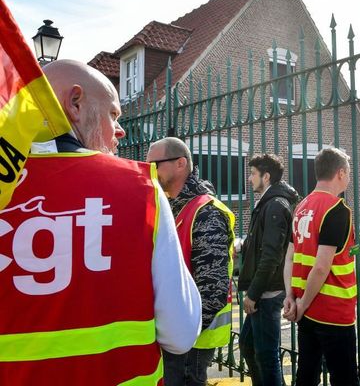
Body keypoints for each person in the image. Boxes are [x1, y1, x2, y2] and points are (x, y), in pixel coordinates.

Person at [0, 60, 202, 385]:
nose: (120, 130)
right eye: (113, 114)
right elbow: (180, 334)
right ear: (75, 103)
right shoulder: (140, 190)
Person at [146, 137, 235, 386]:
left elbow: (212, 288)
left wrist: (181, 334)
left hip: (190, 342)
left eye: (154, 164)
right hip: (173, 335)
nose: (148, 171)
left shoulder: (207, 212)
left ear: (180, 164)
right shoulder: (171, 205)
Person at [283, 147, 359, 386]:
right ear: (340, 173)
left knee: (306, 375)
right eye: (348, 173)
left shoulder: (301, 207)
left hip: (305, 310)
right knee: (344, 378)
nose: (348, 178)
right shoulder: (337, 209)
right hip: (334, 312)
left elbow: (289, 258)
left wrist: (291, 299)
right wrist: (302, 304)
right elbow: (321, 267)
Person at [238, 153, 298, 386]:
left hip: (267, 293)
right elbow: (264, 244)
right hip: (262, 289)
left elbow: (272, 255)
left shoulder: (275, 205)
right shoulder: (268, 202)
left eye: (253, 174)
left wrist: (253, 293)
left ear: (267, 176)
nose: (250, 179)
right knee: (248, 345)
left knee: (266, 356)